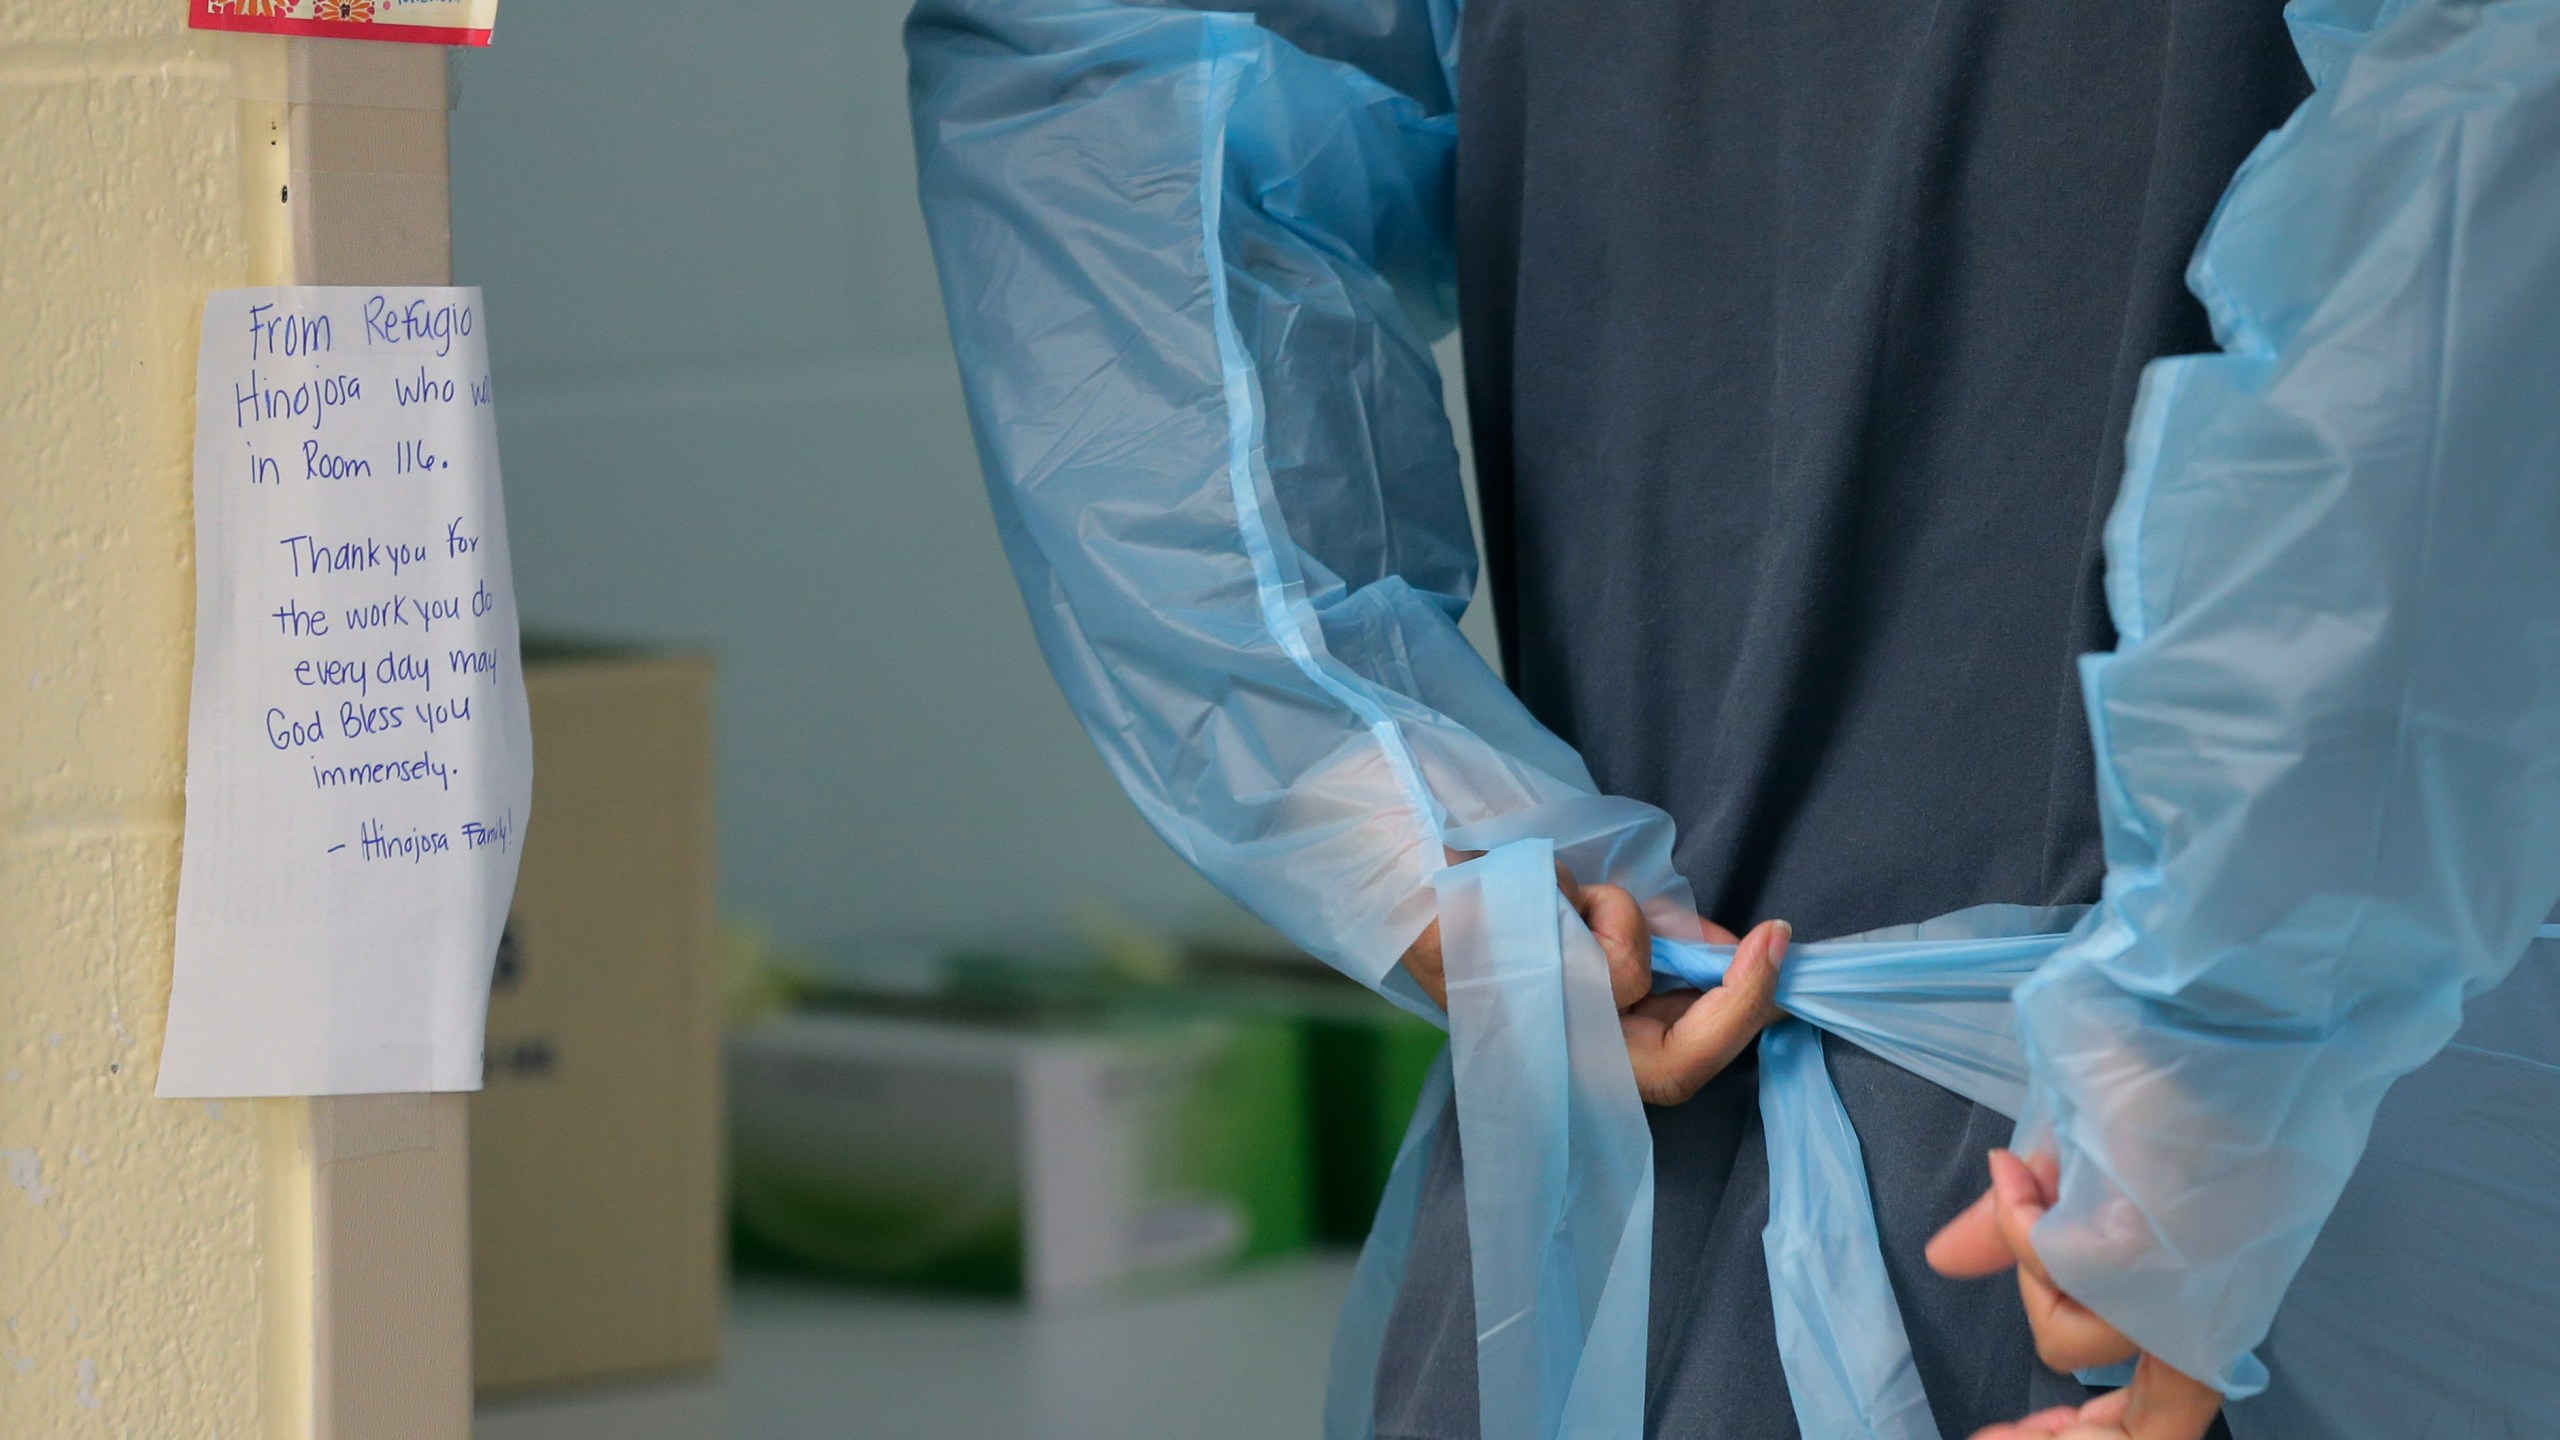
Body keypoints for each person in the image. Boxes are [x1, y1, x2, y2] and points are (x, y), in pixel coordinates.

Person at [907, 1, 2560, 1436]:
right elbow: (2464, 318)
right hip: (2202, 1239)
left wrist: (1382, 802)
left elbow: (1123, 109)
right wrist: (2219, 1072)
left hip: (1794, 1202)